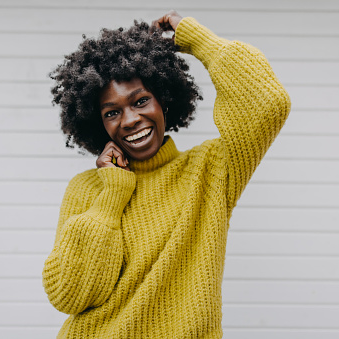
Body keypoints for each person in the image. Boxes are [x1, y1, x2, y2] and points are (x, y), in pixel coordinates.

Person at [43, 10, 290, 338]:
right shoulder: (89, 188)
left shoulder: (211, 169)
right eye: (112, 112)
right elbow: (69, 294)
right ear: (96, 123)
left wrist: (195, 39)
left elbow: (268, 103)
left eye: (141, 101)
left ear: (165, 101)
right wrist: (112, 196)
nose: (129, 120)